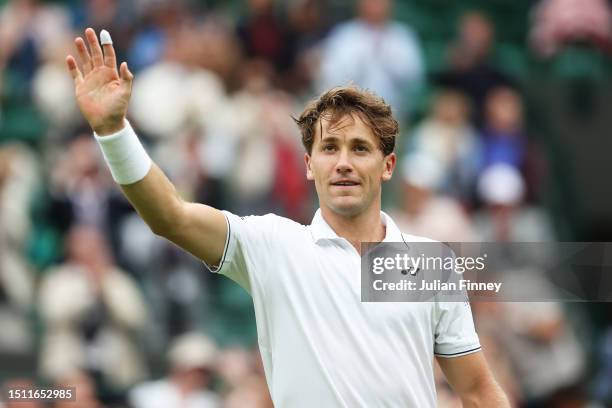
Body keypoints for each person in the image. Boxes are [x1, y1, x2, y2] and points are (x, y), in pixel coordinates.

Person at [65, 28, 510, 407]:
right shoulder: (272, 245)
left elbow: (476, 389)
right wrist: (112, 131)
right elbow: (170, 217)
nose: (344, 163)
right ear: (308, 164)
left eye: (360, 149)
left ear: (388, 165)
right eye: (329, 148)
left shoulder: (431, 262)